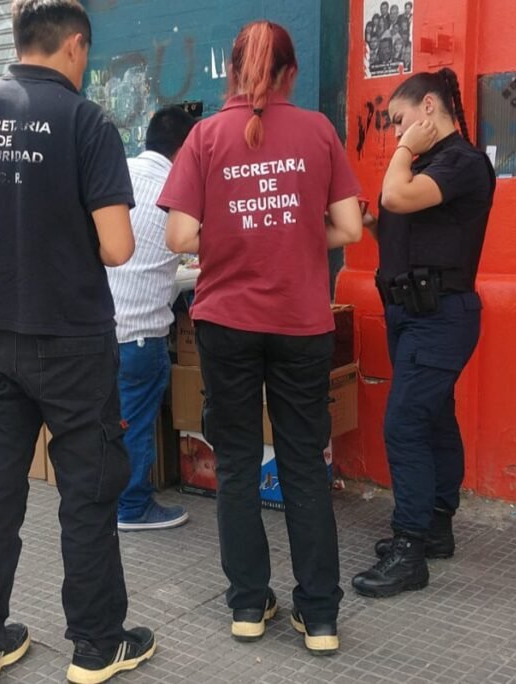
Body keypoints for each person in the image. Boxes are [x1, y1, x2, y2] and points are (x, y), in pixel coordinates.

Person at [0, 1, 156, 682]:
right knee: (87, 493)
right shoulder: (87, 122)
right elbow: (118, 246)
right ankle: (96, 645)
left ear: (18, 41)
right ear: (76, 47)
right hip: (74, 344)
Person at [159, 20, 364, 655]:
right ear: (290, 73)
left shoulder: (204, 136)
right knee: (305, 463)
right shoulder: (318, 132)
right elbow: (351, 227)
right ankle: (321, 615)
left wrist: (233, 238)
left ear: (233, 72)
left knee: (239, 464)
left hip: (226, 324)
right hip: (302, 322)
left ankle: (248, 605)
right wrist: (298, 237)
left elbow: (178, 237)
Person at [351, 68, 496, 599]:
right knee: (432, 417)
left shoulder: (461, 161)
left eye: (400, 121)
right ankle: (436, 526)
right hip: (411, 314)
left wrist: (404, 151)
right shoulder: (433, 166)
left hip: (439, 316)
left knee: (404, 425)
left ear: (429, 107)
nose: (395, 133)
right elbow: (400, 218)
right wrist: (368, 223)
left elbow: (397, 196)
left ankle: (410, 548)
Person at [108, 105, 195, 532]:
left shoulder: (119, 172)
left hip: (98, 329)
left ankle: (105, 497)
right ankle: (133, 507)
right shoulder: (177, 190)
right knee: (135, 421)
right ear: (185, 149)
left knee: (107, 420)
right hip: (140, 334)